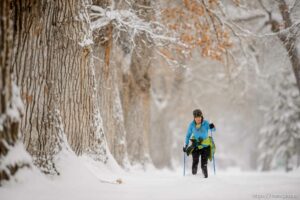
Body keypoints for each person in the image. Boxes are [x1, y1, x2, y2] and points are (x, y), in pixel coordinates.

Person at [183, 109, 216, 178]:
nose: (198, 119)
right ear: (194, 118)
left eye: (199, 118)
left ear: (201, 117)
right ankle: (193, 177)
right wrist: (186, 145)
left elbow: (213, 130)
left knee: (204, 164)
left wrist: (212, 126)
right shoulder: (191, 125)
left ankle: (205, 178)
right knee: (195, 161)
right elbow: (188, 135)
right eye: (196, 118)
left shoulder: (206, 123)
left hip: (205, 146)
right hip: (196, 145)